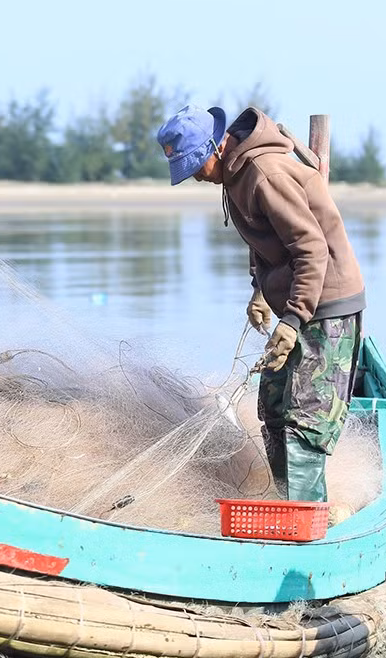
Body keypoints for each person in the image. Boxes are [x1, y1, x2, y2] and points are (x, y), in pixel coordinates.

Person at [155, 104, 366, 502]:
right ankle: (287, 505)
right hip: (296, 301)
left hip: (326, 304)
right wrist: (260, 292)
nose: (196, 177)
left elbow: (311, 249)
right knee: (272, 409)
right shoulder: (235, 175)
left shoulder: (265, 174)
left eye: (196, 166)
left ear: (216, 147)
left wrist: (293, 319)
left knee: (305, 422)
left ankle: (305, 526)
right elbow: (267, 239)